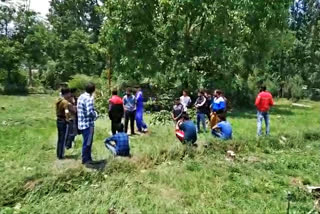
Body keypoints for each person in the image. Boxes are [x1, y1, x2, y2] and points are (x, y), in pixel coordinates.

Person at [77, 83, 98, 164]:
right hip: (88, 125)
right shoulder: (89, 99)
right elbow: (90, 112)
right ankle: (86, 160)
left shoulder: (81, 97)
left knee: (86, 141)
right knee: (88, 142)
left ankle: (87, 158)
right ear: (93, 90)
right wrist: (96, 115)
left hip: (81, 124)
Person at [56, 88, 76, 159]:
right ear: (67, 94)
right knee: (63, 138)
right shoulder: (65, 102)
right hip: (63, 120)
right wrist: (68, 119)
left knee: (60, 138)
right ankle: (61, 155)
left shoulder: (59, 100)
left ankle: (59, 153)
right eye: (69, 93)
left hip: (58, 119)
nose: (70, 94)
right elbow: (67, 111)